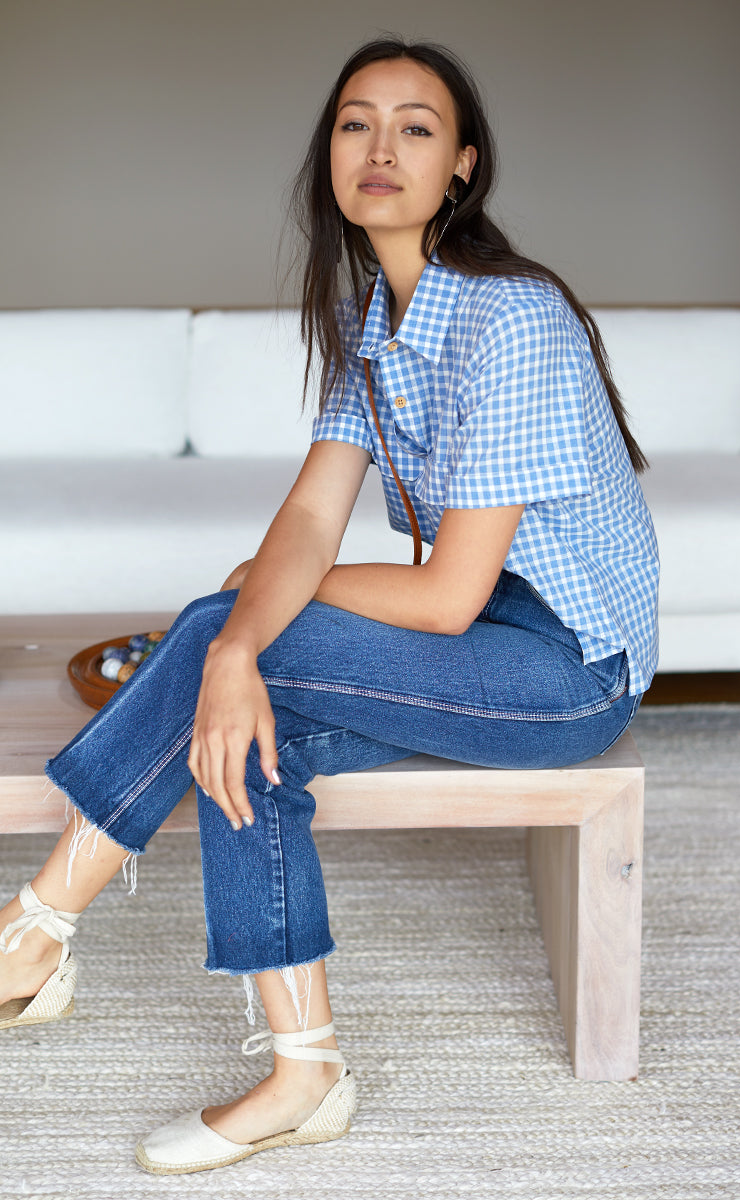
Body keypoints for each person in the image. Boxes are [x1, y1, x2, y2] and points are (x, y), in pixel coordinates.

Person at [0, 37, 658, 1175]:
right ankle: (305, 1073)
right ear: (329, 155)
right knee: (247, 718)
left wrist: (239, 620)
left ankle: (33, 935)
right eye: (356, 123)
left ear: (460, 165)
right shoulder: (371, 320)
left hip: (565, 670)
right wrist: (245, 618)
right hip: (483, 633)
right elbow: (309, 519)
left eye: (415, 126)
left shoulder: (510, 320)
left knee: (228, 639)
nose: (381, 148)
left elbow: (447, 597)